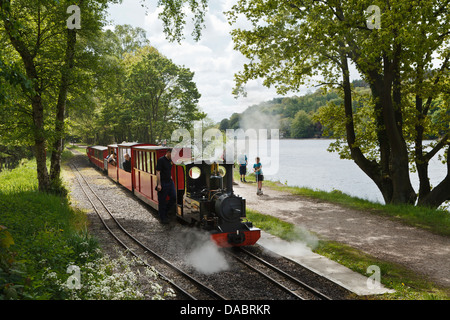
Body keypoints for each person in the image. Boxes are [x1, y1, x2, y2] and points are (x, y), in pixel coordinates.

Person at [156, 148, 176, 224]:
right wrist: (159, 184)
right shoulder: (161, 160)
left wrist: (171, 177)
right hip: (163, 182)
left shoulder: (170, 161)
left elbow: (169, 170)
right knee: (162, 200)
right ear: (168, 153)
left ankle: (166, 212)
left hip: (170, 181)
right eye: (172, 154)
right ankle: (162, 218)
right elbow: (158, 172)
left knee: (174, 197)